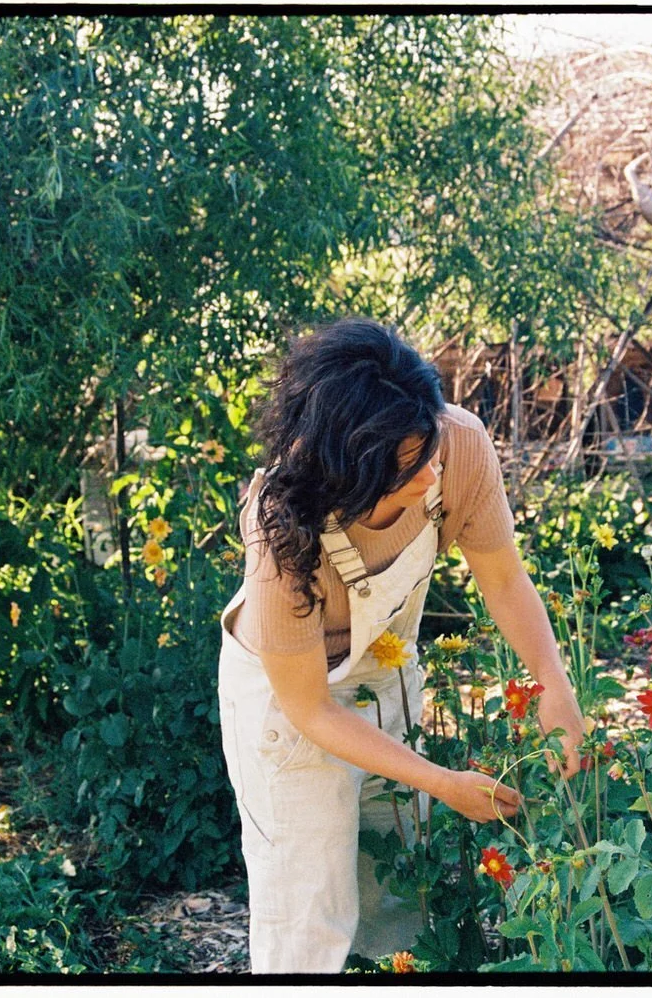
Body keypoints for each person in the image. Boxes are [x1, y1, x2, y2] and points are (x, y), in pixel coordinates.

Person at [217, 317, 585, 973]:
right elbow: (311, 709)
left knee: (398, 897)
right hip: (289, 703)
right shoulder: (281, 525)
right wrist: (444, 781)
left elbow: (501, 579)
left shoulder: (459, 445)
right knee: (310, 916)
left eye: (432, 447)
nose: (431, 474)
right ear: (344, 471)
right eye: (408, 467)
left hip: (386, 668)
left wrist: (556, 685)